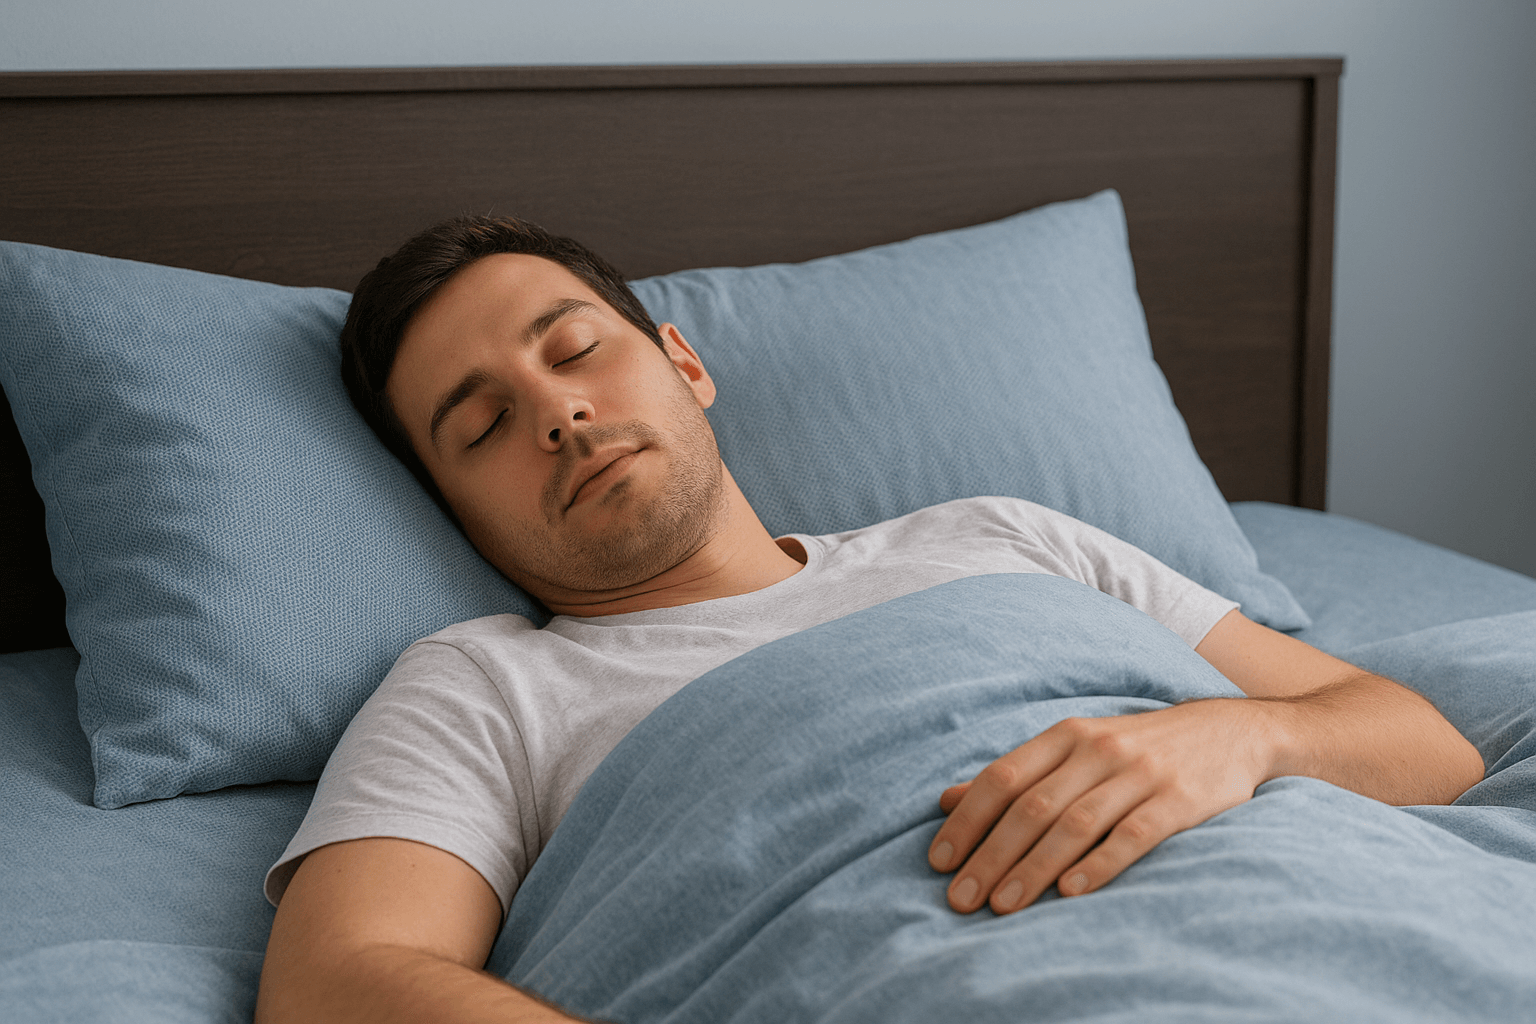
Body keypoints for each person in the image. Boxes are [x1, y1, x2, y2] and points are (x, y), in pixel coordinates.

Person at [254, 217, 1484, 1024]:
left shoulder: (1001, 534)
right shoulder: (481, 686)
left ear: (684, 363)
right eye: (481, 427)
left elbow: (1424, 745)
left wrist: (1236, 739)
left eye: (576, 351)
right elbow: (336, 979)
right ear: (453, 512)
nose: (558, 415)